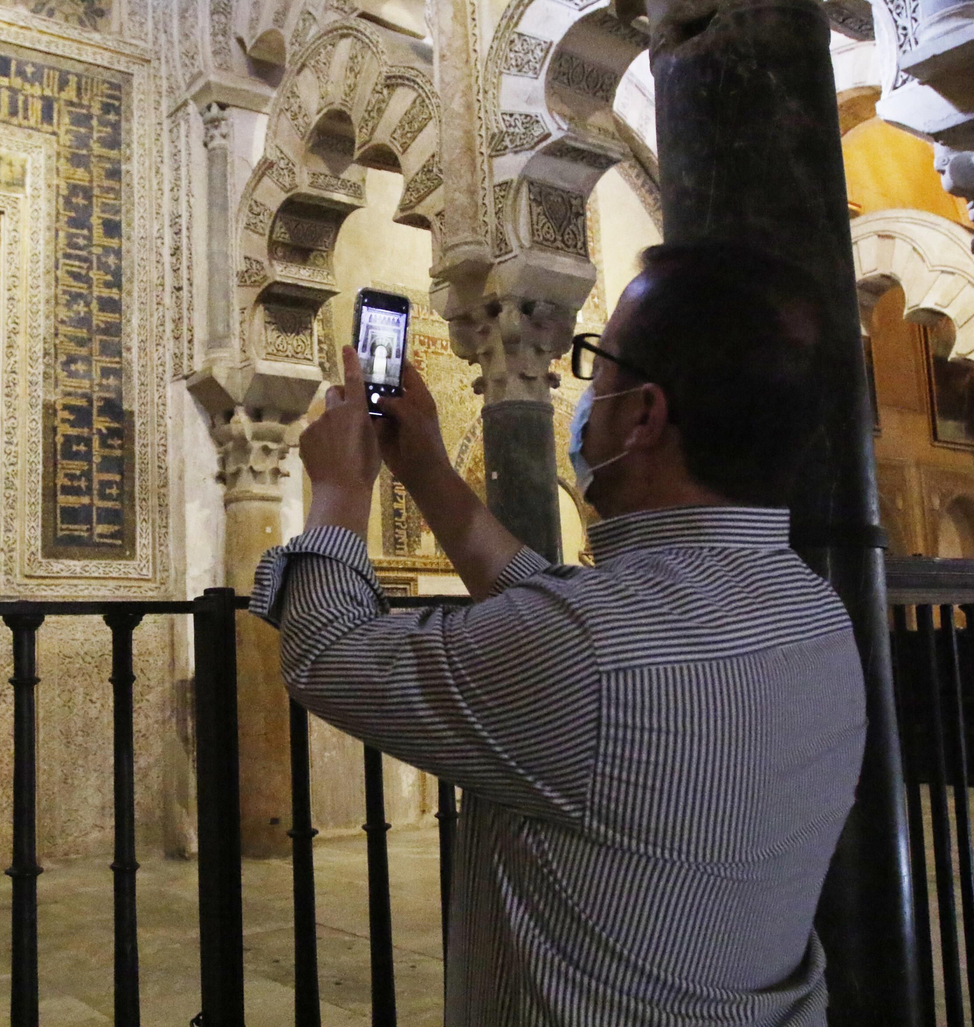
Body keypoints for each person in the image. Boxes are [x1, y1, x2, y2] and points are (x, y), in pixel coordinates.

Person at [249, 242, 868, 1025]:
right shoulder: (812, 611)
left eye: (598, 365)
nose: (586, 390)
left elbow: (329, 655)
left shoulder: (591, 648)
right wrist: (429, 472)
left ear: (644, 415)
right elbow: (561, 618)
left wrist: (341, 488)